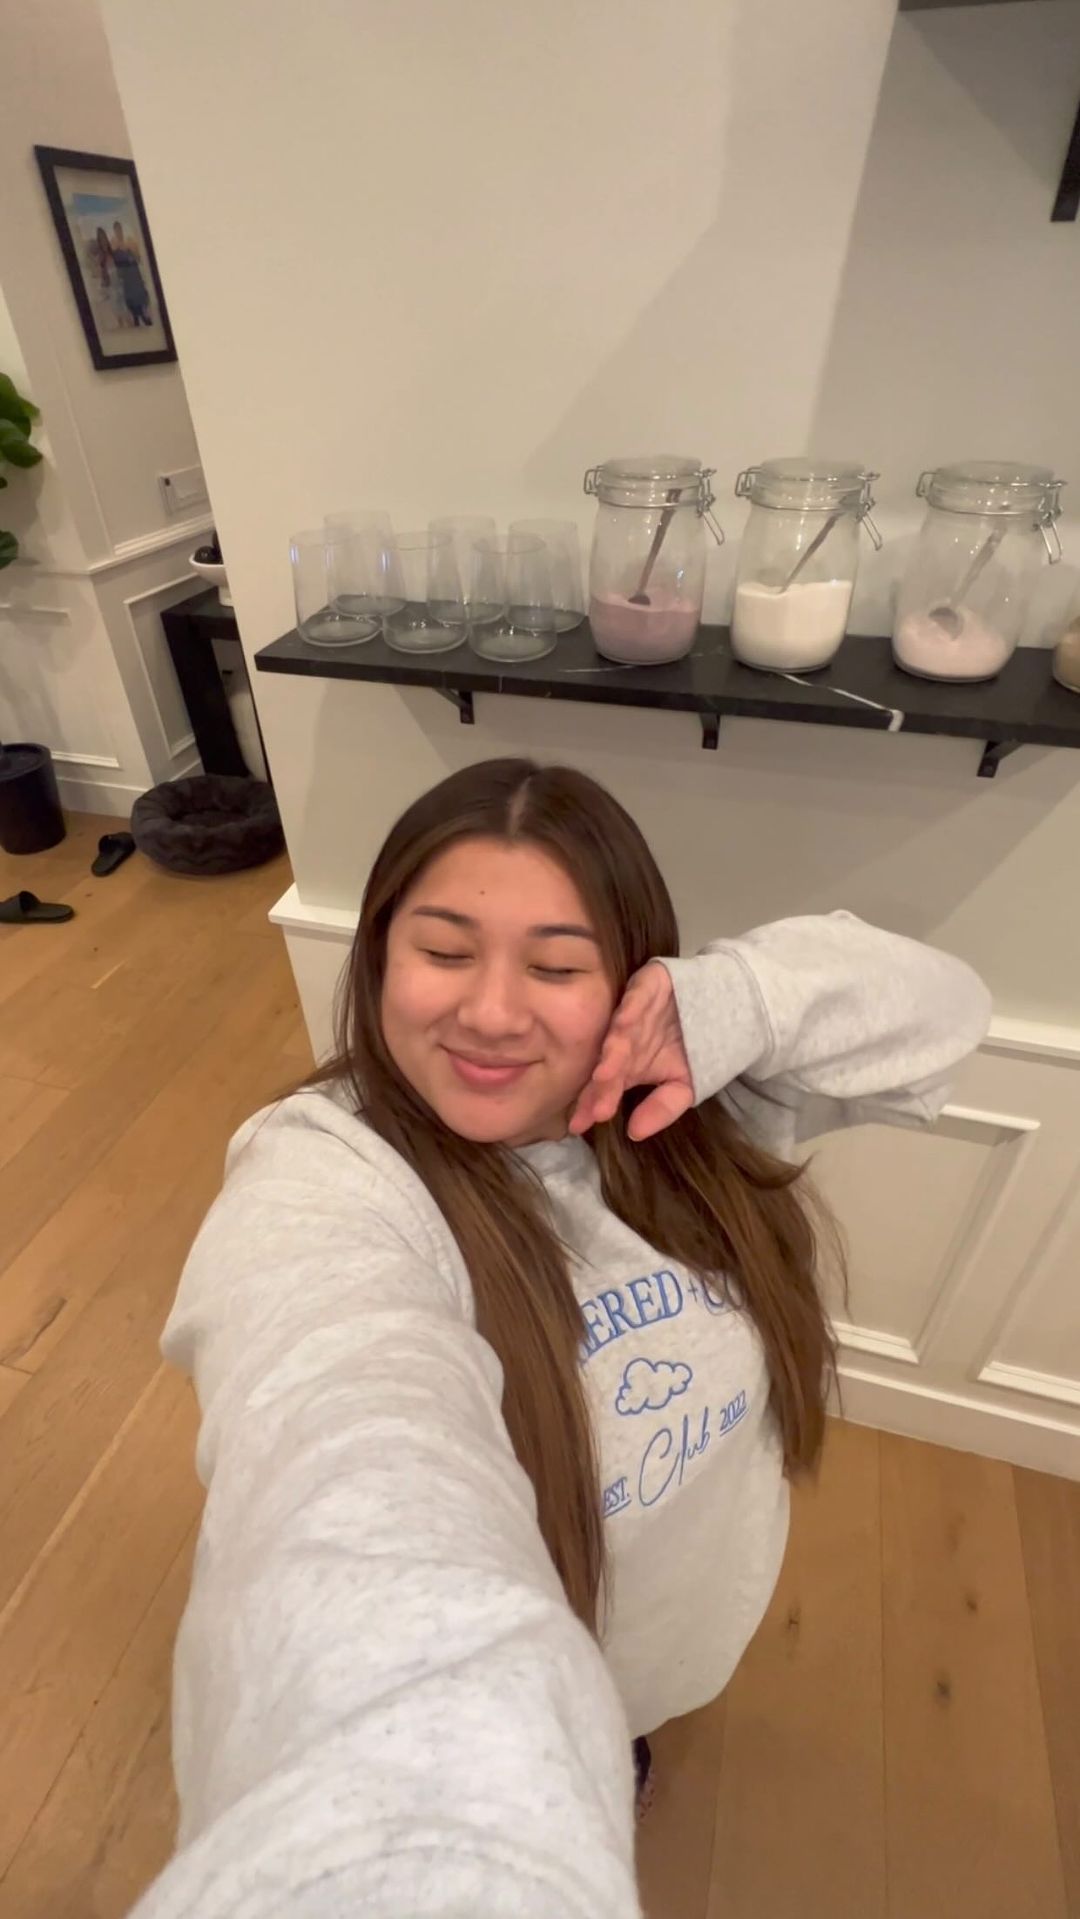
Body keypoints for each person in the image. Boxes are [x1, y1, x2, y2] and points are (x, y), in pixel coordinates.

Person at [139, 758, 989, 1915]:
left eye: (555, 966)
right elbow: (341, 1445)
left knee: (625, 1711)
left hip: (672, 1627)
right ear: (379, 959)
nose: (493, 1012)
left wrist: (727, 1001)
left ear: (630, 983)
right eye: (445, 951)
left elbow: (949, 1014)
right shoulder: (329, 1181)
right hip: (535, 1663)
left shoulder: (701, 1100)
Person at [111, 218, 153, 326]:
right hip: (126, 275)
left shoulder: (129, 242)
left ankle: (144, 316)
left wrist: (131, 253)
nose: (119, 231)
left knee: (140, 295)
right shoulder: (114, 245)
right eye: (116, 230)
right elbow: (116, 261)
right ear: (114, 231)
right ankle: (136, 318)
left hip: (134, 273)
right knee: (131, 297)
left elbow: (137, 258)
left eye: (119, 229)